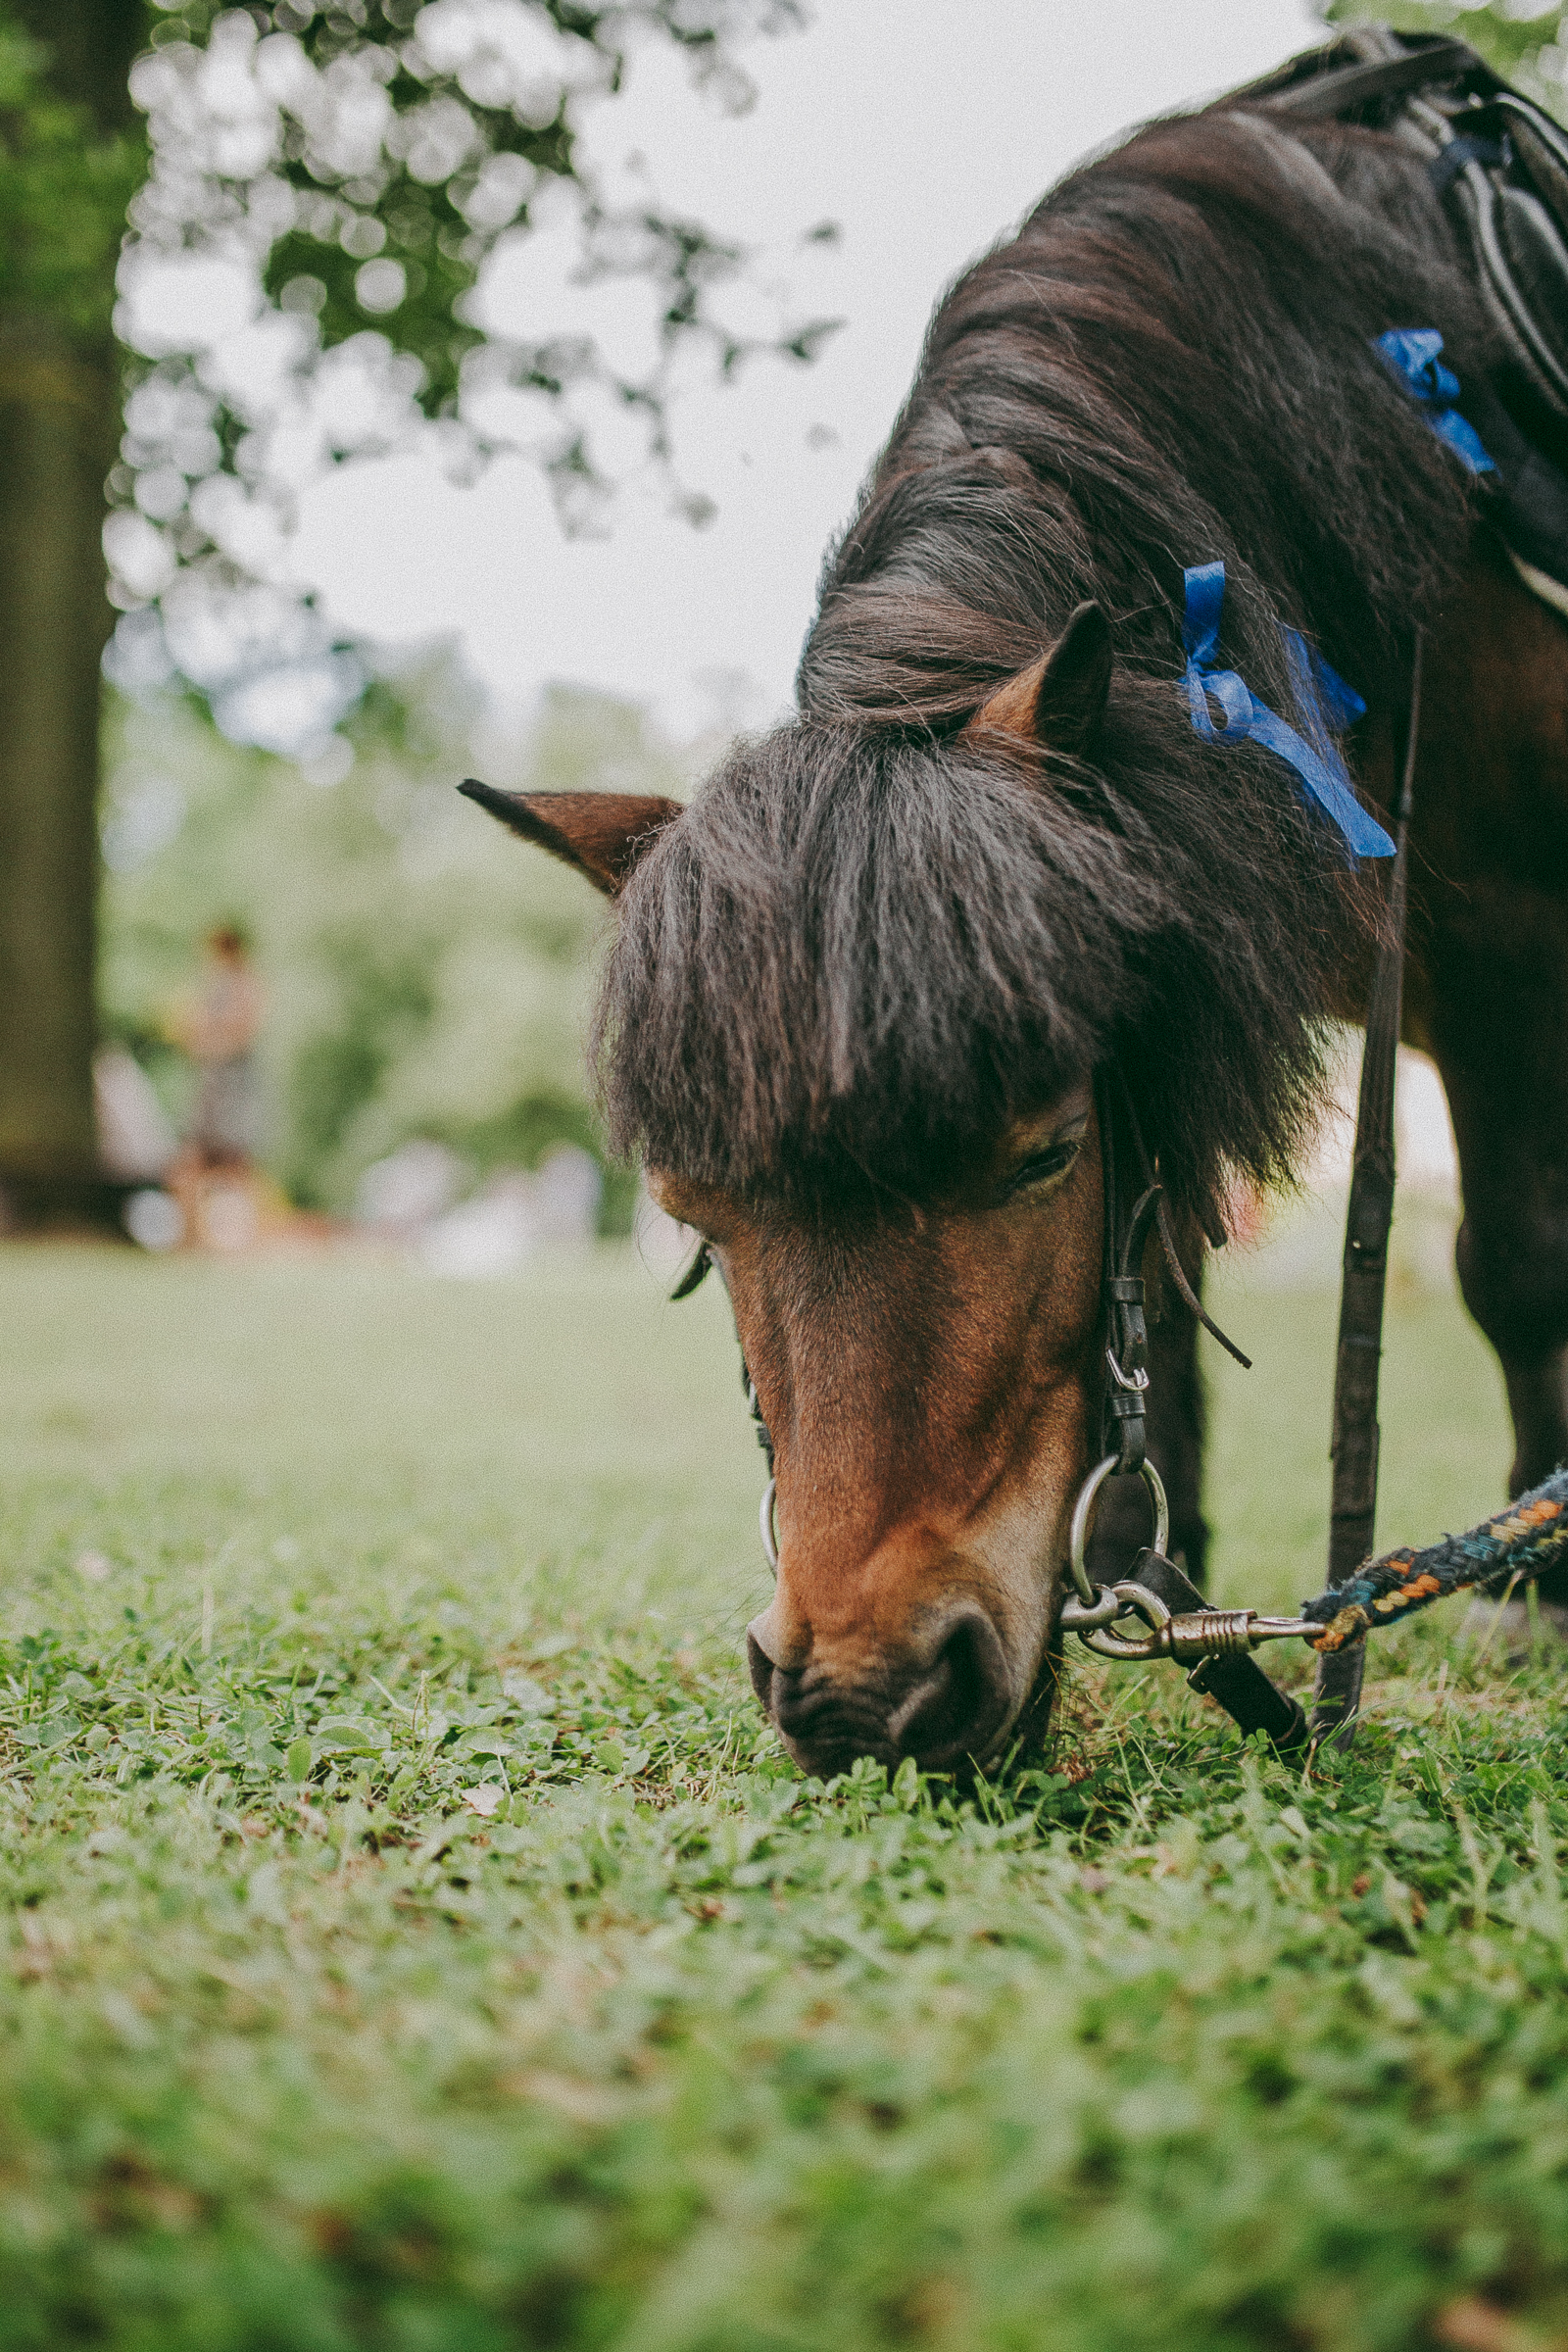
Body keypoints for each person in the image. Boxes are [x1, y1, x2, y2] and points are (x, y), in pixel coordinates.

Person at [165, 925, 267, 1248]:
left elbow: (239, 1033)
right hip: (210, 1084)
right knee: (191, 1162)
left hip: (230, 1086)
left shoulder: (243, 984)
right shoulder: (212, 986)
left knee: (234, 1164)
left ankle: (239, 1239)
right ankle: (190, 1238)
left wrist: (208, 1039)